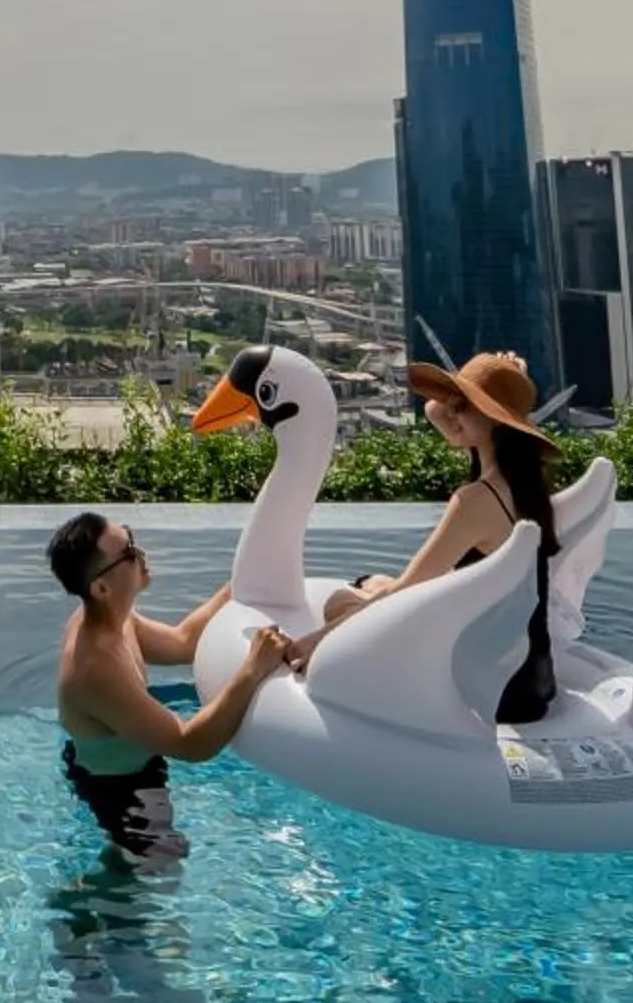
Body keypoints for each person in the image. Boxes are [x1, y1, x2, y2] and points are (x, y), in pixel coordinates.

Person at [284, 351, 562, 725]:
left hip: (490, 688)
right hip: (531, 679)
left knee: (340, 603)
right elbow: (434, 408)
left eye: (463, 406)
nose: (450, 413)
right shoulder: (529, 483)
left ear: (495, 420)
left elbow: (406, 591)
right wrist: (506, 381)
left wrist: (314, 642)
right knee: (376, 586)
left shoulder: (476, 500)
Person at [48, 512, 294, 863]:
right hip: (121, 789)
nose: (141, 553)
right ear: (101, 588)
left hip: (118, 757)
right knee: (155, 872)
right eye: (129, 551)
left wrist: (241, 581)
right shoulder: (95, 668)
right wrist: (253, 669)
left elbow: (183, 642)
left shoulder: (113, 620)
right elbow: (189, 744)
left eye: (131, 537)